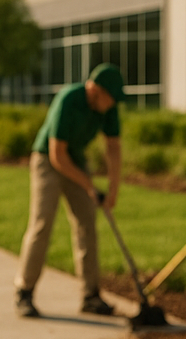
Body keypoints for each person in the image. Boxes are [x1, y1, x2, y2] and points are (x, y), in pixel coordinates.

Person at [14, 62, 126, 318]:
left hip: (75, 160)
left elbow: (114, 148)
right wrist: (89, 185)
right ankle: (24, 291)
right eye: (111, 98)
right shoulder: (69, 99)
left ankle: (91, 295)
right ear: (96, 91)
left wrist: (113, 191)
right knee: (42, 224)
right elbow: (57, 156)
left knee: (87, 223)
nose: (113, 105)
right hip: (47, 161)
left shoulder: (109, 107)